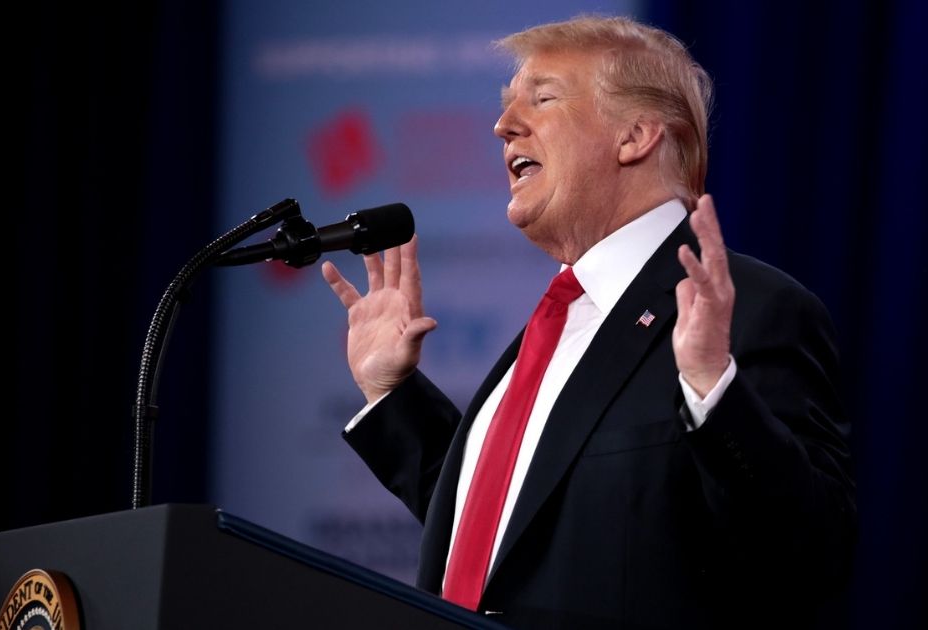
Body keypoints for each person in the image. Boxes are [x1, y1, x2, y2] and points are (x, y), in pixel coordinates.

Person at [321, 15, 855, 629]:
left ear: (636, 135)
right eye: (506, 106)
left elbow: (815, 551)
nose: (503, 126)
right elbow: (514, 524)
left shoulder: (750, 308)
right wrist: (391, 394)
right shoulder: (561, 320)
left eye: (541, 98)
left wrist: (714, 389)